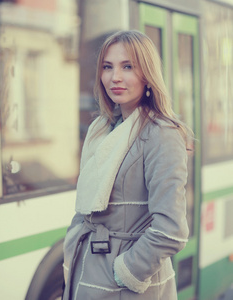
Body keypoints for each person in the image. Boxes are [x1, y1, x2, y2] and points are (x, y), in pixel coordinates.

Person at [62, 30, 192, 299]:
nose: (115, 77)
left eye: (128, 67)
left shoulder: (161, 133)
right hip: (87, 269)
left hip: (125, 284)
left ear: (147, 75)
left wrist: (124, 272)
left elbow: (171, 230)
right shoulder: (103, 129)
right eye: (107, 67)